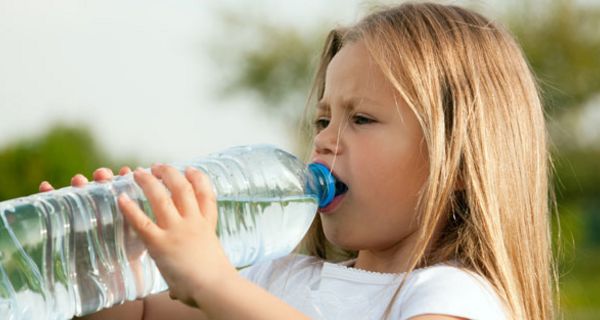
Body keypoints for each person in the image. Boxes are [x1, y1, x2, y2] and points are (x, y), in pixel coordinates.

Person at [40, 2, 557, 319]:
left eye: (361, 120)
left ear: (460, 162)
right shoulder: (282, 278)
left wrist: (213, 283)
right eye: (323, 120)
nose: (327, 141)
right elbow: (144, 315)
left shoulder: (453, 296)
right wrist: (105, 263)